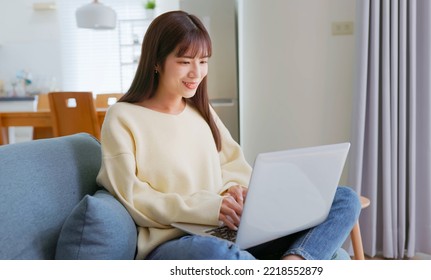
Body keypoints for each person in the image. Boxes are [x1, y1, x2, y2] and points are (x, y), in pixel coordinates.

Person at [96, 10, 361, 260]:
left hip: (229, 228)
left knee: (345, 199)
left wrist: (235, 190)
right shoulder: (123, 117)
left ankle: (295, 262)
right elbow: (132, 195)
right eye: (185, 62)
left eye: (203, 61)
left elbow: (233, 164)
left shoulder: (200, 111)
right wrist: (211, 208)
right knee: (216, 254)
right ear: (156, 62)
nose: (196, 73)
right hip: (177, 239)